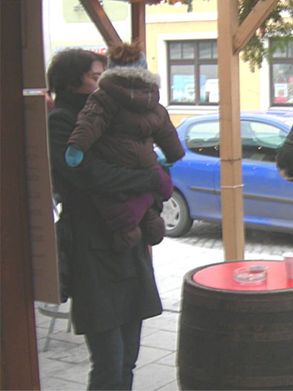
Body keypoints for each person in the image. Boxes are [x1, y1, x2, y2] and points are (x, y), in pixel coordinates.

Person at [47, 48, 172, 389]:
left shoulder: (118, 115)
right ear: (73, 82)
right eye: (95, 76)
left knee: (129, 358)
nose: (105, 82)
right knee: (108, 362)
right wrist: (149, 180)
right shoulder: (62, 120)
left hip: (128, 247)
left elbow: (143, 154)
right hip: (92, 249)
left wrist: (152, 192)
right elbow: (87, 176)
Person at [65, 42, 184, 252]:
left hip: (117, 161)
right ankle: (152, 223)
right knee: (144, 200)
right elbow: (166, 131)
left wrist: (77, 147)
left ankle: (126, 233)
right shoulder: (153, 101)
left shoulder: (103, 97)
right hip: (146, 166)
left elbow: (91, 122)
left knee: (117, 206)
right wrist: (173, 155)